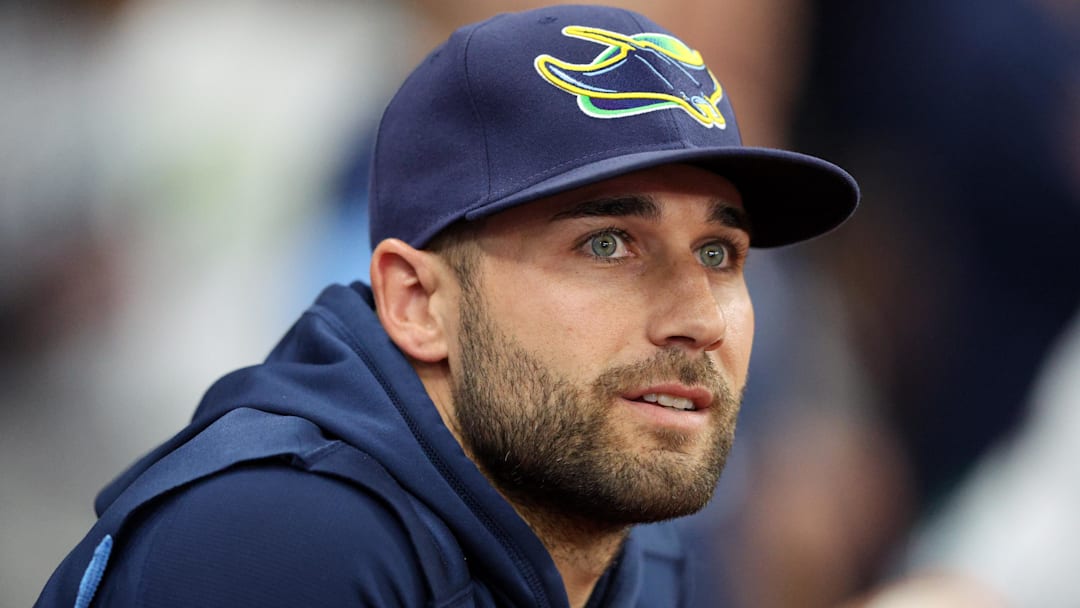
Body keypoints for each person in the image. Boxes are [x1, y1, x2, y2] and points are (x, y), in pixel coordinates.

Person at [35, 5, 858, 607]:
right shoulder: (279, 540)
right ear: (417, 301)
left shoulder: (636, 551)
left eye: (719, 253)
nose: (701, 318)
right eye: (608, 244)